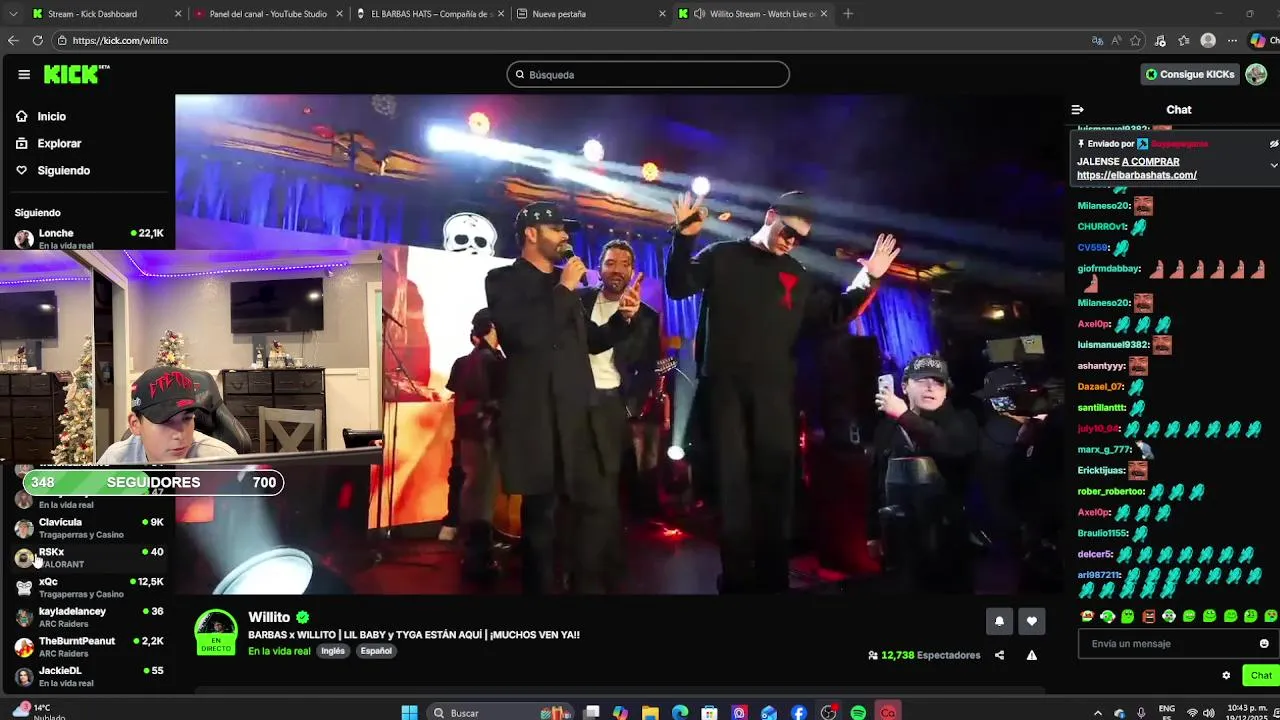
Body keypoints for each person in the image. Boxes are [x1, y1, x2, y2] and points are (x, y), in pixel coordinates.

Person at [666, 190, 899, 593]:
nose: (792, 241)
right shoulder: (723, 255)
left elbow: (834, 313)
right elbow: (677, 285)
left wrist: (869, 278)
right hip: (724, 394)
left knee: (775, 494)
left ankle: (773, 583)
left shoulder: (797, 274)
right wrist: (684, 238)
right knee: (733, 493)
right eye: (788, 231)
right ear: (770, 215)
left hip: (774, 397)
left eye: (800, 238)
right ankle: (737, 582)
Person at [485, 201, 642, 594]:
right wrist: (565, 289)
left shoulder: (566, 286)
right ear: (531, 234)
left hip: (577, 415)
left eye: (565, 229)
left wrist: (622, 320)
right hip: (537, 417)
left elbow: (590, 341)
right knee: (541, 519)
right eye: (556, 228)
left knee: (585, 512)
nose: (565, 236)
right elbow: (524, 336)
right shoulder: (503, 279)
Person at [577, 239, 661, 583]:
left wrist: (630, 406)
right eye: (610, 262)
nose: (617, 269)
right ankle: (577, 563)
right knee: (573, 485)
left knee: (606, 488)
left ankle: (604, 567)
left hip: (612, 404)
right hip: (574, 400)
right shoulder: (579, 302)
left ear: (633, 271)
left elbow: (648, 368)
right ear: (599, 267)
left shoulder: (647, 317)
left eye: (624, 264)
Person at [869, 354, 980, 591]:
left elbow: (951, 447)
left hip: (947, 542)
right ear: (904, 387)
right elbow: (875, 481)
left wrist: (904, 416)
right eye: (921, 380)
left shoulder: (962, 420)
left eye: (939, 382)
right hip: (900, 542)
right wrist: (873, 533)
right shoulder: (886, 428)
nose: (930, 387)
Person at [445, 309, 507, 583]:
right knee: (482, 495)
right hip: (485, 436)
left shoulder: (467, 361)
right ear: (492, 327)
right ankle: (478, 561)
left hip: (470, 434)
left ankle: (474, 554)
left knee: (474, 492)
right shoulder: (491, 360)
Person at [97, 366, 238, 463]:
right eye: (165, 420)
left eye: (187, 418)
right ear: (135, 424)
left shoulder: (222, 461)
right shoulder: (115, 460)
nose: (180, 435)